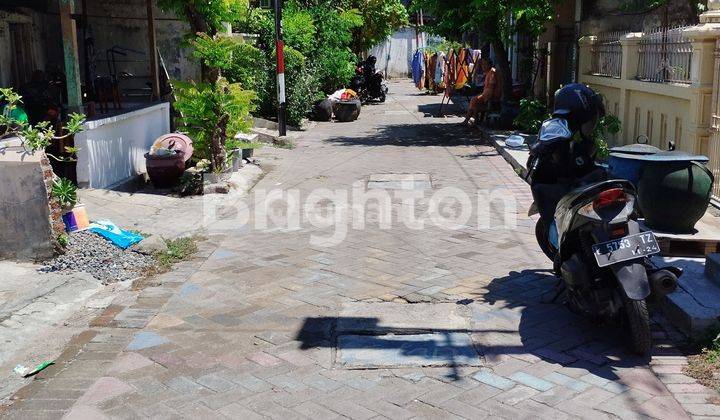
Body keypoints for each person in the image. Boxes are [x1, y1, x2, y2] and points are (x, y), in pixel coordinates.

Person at [462, 58, 500, 126]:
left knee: (474, 100)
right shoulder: (488, 73)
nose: (483, 66)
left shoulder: (492, 72)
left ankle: (470, 120)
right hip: (486, 94)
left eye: (485, 64)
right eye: (482, 64)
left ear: (490, 65)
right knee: (474, 100)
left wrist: (486, 97)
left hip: (492, 95)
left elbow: (491, 88)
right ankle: (470, 120)